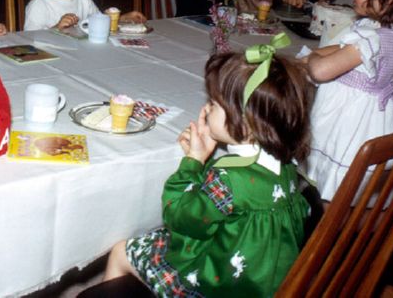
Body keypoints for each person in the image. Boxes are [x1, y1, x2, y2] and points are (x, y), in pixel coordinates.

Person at [102, 36, 312, 296]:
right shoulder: (288, 169)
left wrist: (194, 162)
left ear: (245, 122)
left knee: (122, 250)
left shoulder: (227, 180)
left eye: (214, 104)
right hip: (264, 286)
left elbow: (179, 217)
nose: (206, 107)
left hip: (213, 287)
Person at [304, 0, 393, 202]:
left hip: (347, 121)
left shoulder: (370, 37)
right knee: (356, 191)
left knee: (333, 185)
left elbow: (320, 72)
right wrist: (319, 52)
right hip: (374, 120)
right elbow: (344, 49)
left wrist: (312, 59)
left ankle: (326, 229)